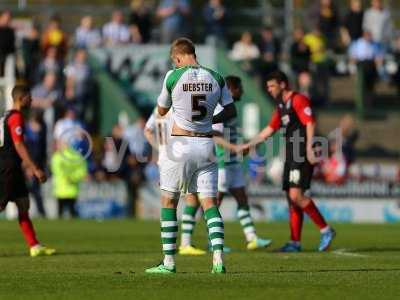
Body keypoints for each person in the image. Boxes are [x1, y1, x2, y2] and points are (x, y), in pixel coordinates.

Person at [144, 37, 236, 274]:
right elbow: (231, 110)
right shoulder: (216, 76)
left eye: (174, 61)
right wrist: (210, 120)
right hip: (206, 145)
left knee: (169, 201)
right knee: (209, 203)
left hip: (180, 146)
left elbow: (162, 110)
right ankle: (218, 259)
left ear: (177, 57)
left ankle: (169, 262)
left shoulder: (173, 76)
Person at [239, 71, 336, 252]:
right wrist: (249, 145)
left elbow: (310, 122)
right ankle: (295, 242)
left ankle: (326, 229)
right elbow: (268, 130)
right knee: (292, 200)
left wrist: (308, 148)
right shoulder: (281, 106)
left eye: (272, 86)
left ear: (283, 85)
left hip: (301, 154)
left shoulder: (298, 100)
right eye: (267, 87)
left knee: (295, 196)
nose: (269, 90)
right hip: (291, 155)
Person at [179, 76, 272, 254]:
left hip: (233, 163)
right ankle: (210, 241)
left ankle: (252, 238)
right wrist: (236, 148)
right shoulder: (221, 107)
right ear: (231, 89)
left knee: (242, 199)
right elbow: (215, 134)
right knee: (214, 203)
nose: (242, 92)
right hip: (221, 163)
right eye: (239, 88)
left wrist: (245, 145)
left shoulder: (229, 108)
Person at [0, 85, 55, 257]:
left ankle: (34, 246)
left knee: (23, 203)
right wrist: (35, 168)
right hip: (7, 169)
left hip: (13, 168)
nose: (31, 100)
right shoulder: (15, 117)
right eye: (29, 97)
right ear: (21, 98)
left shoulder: (6, 116)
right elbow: (18, 144)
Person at [51, 144, 88, 219]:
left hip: (61, 188)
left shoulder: (57, 156)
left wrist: (67, 177)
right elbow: (82, 170)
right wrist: (73, 177)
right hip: (71, 188)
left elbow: (56, 169)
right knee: (72, 212)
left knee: (61, 213)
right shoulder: (76, 156)